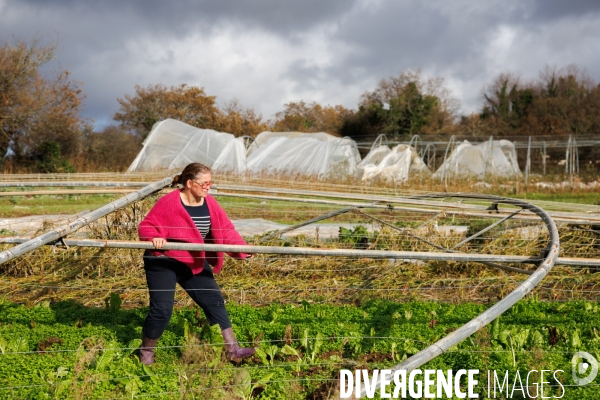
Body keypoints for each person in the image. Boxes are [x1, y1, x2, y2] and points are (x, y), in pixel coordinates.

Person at [137, 162, 255, 365]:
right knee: (162, 309)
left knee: (215, 302)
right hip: (164, 260)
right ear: (190, 183)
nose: (208, 186)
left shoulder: (210, 204)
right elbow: (147, 226)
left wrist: (242, 248)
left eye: (211, 182)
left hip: (193, 260)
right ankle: (146, 352)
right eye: (204, 183)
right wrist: (154, 238)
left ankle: (232, 350)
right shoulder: (169, 202)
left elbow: (225, 230)